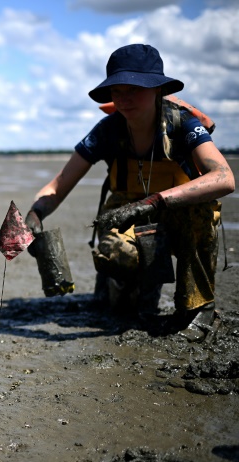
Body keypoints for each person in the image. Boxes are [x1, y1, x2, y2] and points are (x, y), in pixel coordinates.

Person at [25, 43, 235, 339]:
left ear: (156, 90)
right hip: (124, 215)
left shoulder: (181, 124)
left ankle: (198, 309)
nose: (124, 99)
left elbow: (224, 178)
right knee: (122, 289)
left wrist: (154, 201)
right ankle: (123, 288)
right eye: (117, 91)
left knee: (201, 211)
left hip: (177, 213)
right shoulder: (107, 130)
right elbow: (60, 185)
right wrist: (35, 213)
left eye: (134, 89)